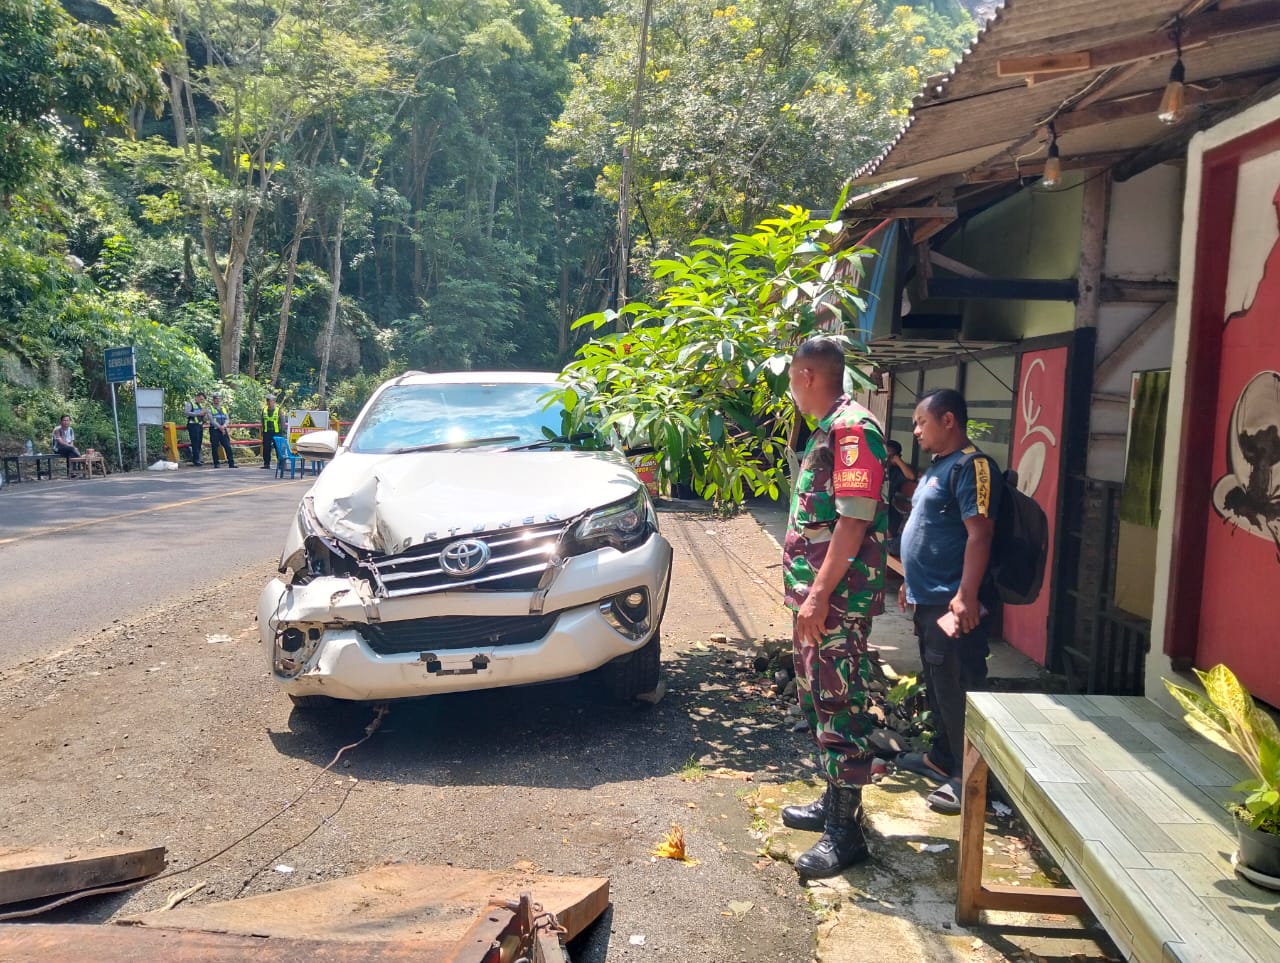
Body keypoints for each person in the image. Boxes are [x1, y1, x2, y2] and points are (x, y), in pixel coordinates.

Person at [779, 336, 889, 879]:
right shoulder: (829, 430)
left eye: (791, 379)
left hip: (836, 604)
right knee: (819, 704)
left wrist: (820, 595)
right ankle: (833, 804)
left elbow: (854, 520)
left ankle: (846, 836)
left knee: (839, 707)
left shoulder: (853, 431)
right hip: (818, 603)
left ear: (806, 376)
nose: (791, 389)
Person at [895, 388, 999, 815]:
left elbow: (981, 534)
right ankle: (941, 756)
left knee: (960, 685)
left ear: (949, 420)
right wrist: (908, 581)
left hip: (954, 602)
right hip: (928, 597)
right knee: (938, 683)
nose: (916, 430)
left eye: (922, 422)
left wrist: (965, 596)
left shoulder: (973, 467)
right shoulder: (938, 467)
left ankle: (971, 777)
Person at [884, 439, 917, 544]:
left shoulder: (896, 472)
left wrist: (898, 461)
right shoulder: (876, 466)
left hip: (888, 507)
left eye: (890, 456)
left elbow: (911, 476)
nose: (886, 458)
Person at [206, 393, 236, 468]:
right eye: (216, 398)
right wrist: (220, 427)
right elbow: (211, 420)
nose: (217, 400)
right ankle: (216, 463)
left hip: (223, 429)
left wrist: (224, 426)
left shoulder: (223, 409)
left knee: (227, 446)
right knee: (215, 447)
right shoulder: (210, 409)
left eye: (218, 398)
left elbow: (227, 419)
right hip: (215, 429)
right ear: (213, 400)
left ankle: (231, 463)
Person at [184, 392, 207, 466]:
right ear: (197, 397)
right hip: (193, 425)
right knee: (195, 443)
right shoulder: (190, 404)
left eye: (202, 400)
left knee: (199, 442)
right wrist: (198, 414)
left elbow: (201, 415)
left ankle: (198, 458)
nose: (201, 401)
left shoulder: (200, 405)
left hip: (199, 425)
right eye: (200, 399)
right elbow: (187, 413)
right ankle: (196, 460)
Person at [261, 395, 283, 470]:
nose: (269, 403)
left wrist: (281, 431)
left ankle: (280, 464)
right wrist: (263, 431)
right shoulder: (264, 410)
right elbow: (262, 421)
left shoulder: (278, 410)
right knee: (266, 448)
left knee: (278, 448)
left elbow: (282, 422)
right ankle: (266, 464)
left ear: (274, 401)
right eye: (268, 401)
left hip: (276, 432)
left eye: (271, 401)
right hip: (267, 432)